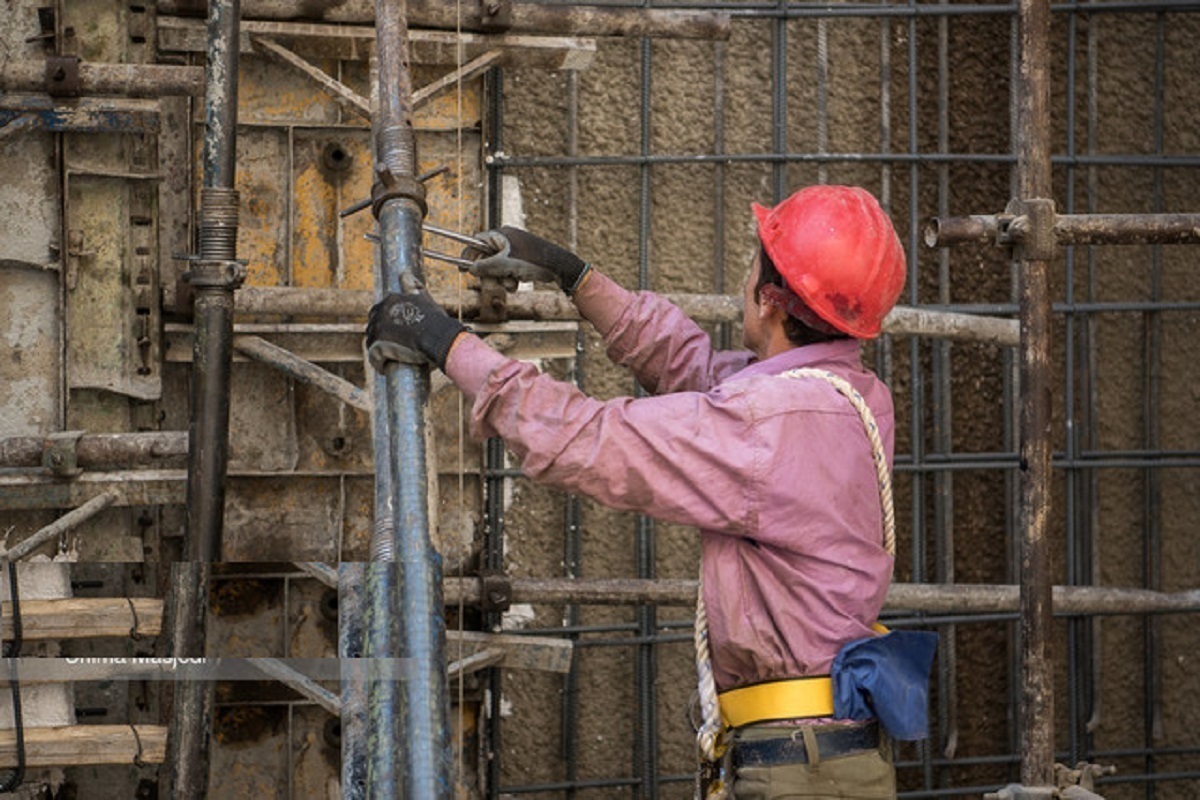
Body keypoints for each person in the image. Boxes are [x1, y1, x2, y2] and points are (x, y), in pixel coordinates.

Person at [367, 185, 909, 798]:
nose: (745, 272)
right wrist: (571, 275)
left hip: (799, 767)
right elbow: (698, 372)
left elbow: (588, 440)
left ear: (770, 298)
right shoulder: (848, 395)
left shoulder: (769, 423)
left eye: (754, 261)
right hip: (821, 752)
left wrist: (446, 343)